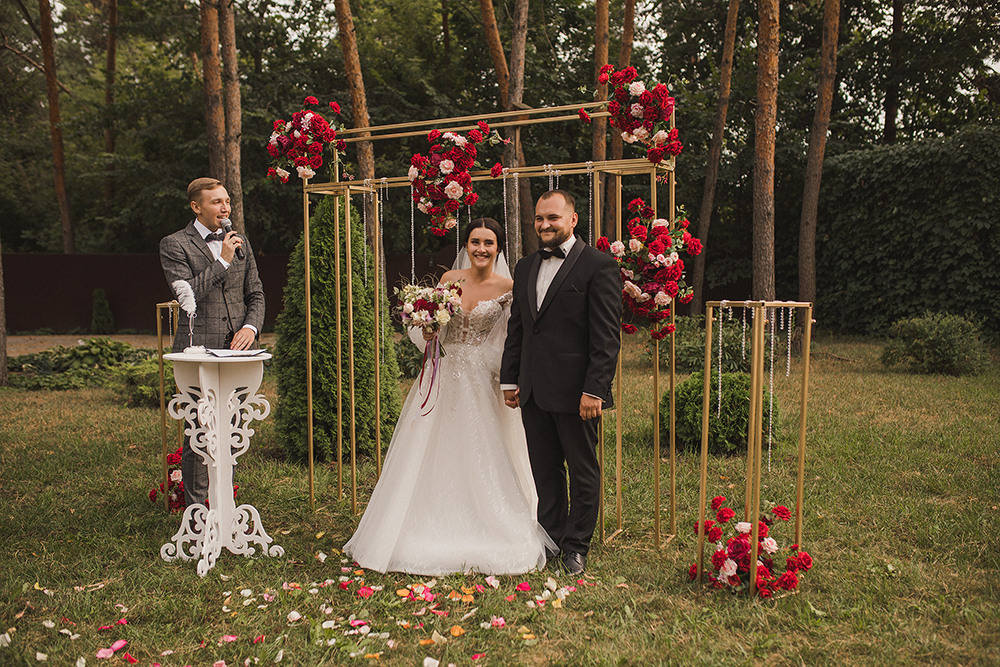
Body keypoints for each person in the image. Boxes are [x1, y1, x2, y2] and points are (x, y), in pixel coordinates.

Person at [344, 218, 553, 575]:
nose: (481, 249)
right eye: (475, 241)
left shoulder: (508, 287)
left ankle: (492, 522)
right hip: (441, 377)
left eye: (489, 242)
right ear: (466, 245)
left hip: (483, 378)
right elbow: (428, 333)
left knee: (482, 447)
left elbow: (509, 339)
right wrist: (426, 329)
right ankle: (420, 520)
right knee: (432, 447)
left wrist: (504, 374)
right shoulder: (447, 282)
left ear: (498, 248)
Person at [501, 190, 622, 575]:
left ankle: (576, 546)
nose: (544, 225)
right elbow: (518, 328)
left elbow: (606, 337)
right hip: (533, 389)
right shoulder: (524, 267)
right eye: (539, 218)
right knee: (545, 469)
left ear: (572, 220)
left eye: (552, 217)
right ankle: (550, 538)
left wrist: (594, 390)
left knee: (583, 470)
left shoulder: (599, 266)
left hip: (577, 393)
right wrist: (511, 378)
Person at [159, 177, 265, 506]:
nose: (225, 207)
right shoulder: (174, 244)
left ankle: (224, 503)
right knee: (199, 434)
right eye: (216, 202)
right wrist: (221, 261)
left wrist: (250, 327)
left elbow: (256, 294)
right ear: (196, 206)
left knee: (231, 432)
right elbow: (186, 294)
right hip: (196, 350)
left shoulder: (238, 241)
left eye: (227, 201)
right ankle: (197, 510)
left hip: (237, 352)